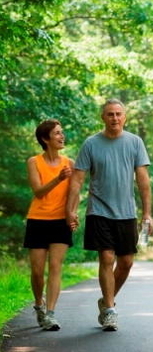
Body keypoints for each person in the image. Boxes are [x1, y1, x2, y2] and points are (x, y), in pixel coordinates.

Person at [66, 98, 153, 332]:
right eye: (110, 114)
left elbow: (143, 181)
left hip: (126, 212)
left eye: (118, 114)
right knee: (106, 257)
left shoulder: (135, 142)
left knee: (126, 262)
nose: (114, 118)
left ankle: (106, 301)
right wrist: (71, 209)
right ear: (102, 117)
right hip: (99, 210)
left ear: (125, 117)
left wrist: (147, 214)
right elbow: (77, 180)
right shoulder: (91, 144)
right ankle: (111, 310)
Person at [24, 119, 74, 331]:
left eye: (62, 133)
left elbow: (75, 192)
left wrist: (71, 213)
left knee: (55, 267)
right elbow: (38, 191)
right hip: (38, 220)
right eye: (57, 133)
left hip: (60, 222)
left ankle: (51, 314)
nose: (62, 136)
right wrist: (58, 179)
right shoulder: (34, 161)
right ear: (45, 139)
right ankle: (39, 304)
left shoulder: (70, 163)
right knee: (37, 271)